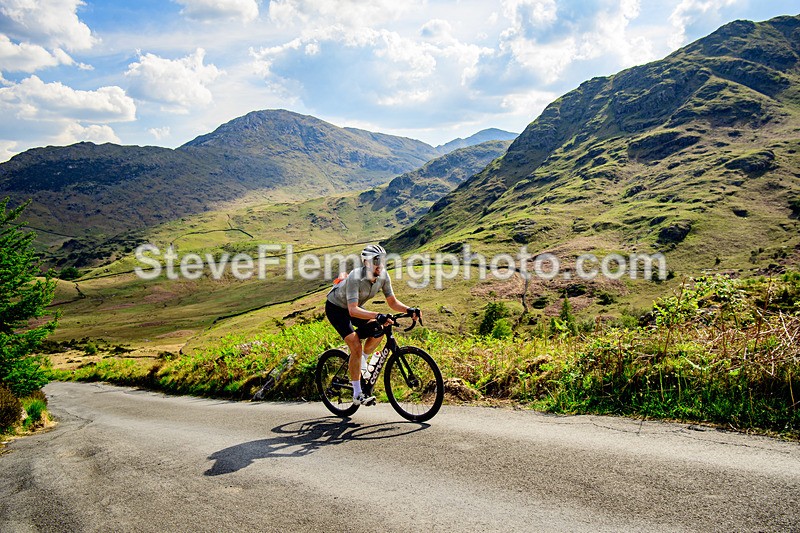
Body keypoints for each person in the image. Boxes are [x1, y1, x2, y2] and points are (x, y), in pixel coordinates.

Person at [325, 244, 420, 406]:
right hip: (336, 309)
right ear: (367, 262)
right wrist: (377, 315)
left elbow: (392, 302)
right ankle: (357, 394)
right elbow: (353, 310)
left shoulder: (383, 276)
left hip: (353, 307)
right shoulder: (356, 277)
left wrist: (409, 309)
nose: (380, 264)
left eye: (382, 259)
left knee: (379, 329)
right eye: (376, 260)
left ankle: (362, 361)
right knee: (355, 344)